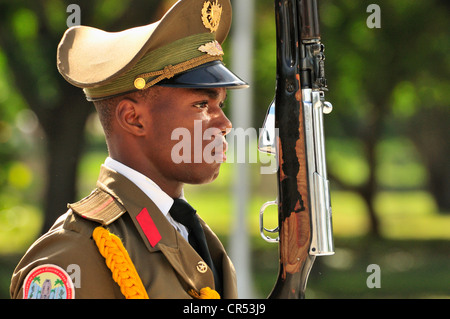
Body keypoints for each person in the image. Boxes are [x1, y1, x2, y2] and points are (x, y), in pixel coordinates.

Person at [10, 0, 248, 299]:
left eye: (220, 105)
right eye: (202, 104)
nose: (225, 123)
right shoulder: (74, 253)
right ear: (133, 118)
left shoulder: (188, 230)